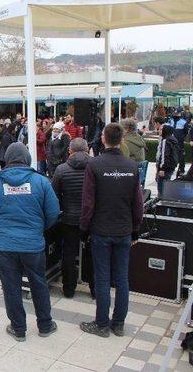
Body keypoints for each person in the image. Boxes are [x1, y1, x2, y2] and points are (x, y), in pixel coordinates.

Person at [0, 142, 60, 342]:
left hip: (5, 244)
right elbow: (53, 213)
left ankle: (18, 328)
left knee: (11, 285)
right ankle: (45, 324)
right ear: (27, 158)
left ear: (7, 159)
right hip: (33, 244)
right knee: (38, 283)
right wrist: (37, 229)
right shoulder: (41, 182)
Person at [79, 123, 143, 338]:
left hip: (101, 230)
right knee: (122, 279)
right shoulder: (132, 166)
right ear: (122, 139)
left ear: (104, 138)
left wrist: (84, 227)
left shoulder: (95, 165)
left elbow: (88, 203)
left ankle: (102, 324)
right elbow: (138, 204)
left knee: (103, 277)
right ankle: (118, 324)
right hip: (123, 230)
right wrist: (135, 228)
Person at [51, 138, 90, 298]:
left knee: (69, 252)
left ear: (70, 151)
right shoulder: (94, 166)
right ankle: (94, 288)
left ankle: (68, 289)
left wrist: (63, 207)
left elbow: (53, 195)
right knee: (92, 252)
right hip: (90, 218)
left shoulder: (61, 169)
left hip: (69, 218)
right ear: (87, 150)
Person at [156, 124, 179, 197]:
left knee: (161, 188)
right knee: (166, 186)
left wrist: (162, 168)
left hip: (165, 167)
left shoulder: (165, 140)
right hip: (171, 166)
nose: (159, 131)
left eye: (161, 129)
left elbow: (164, 155)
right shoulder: (173, 139)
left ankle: (161, 203)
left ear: (165, 131)